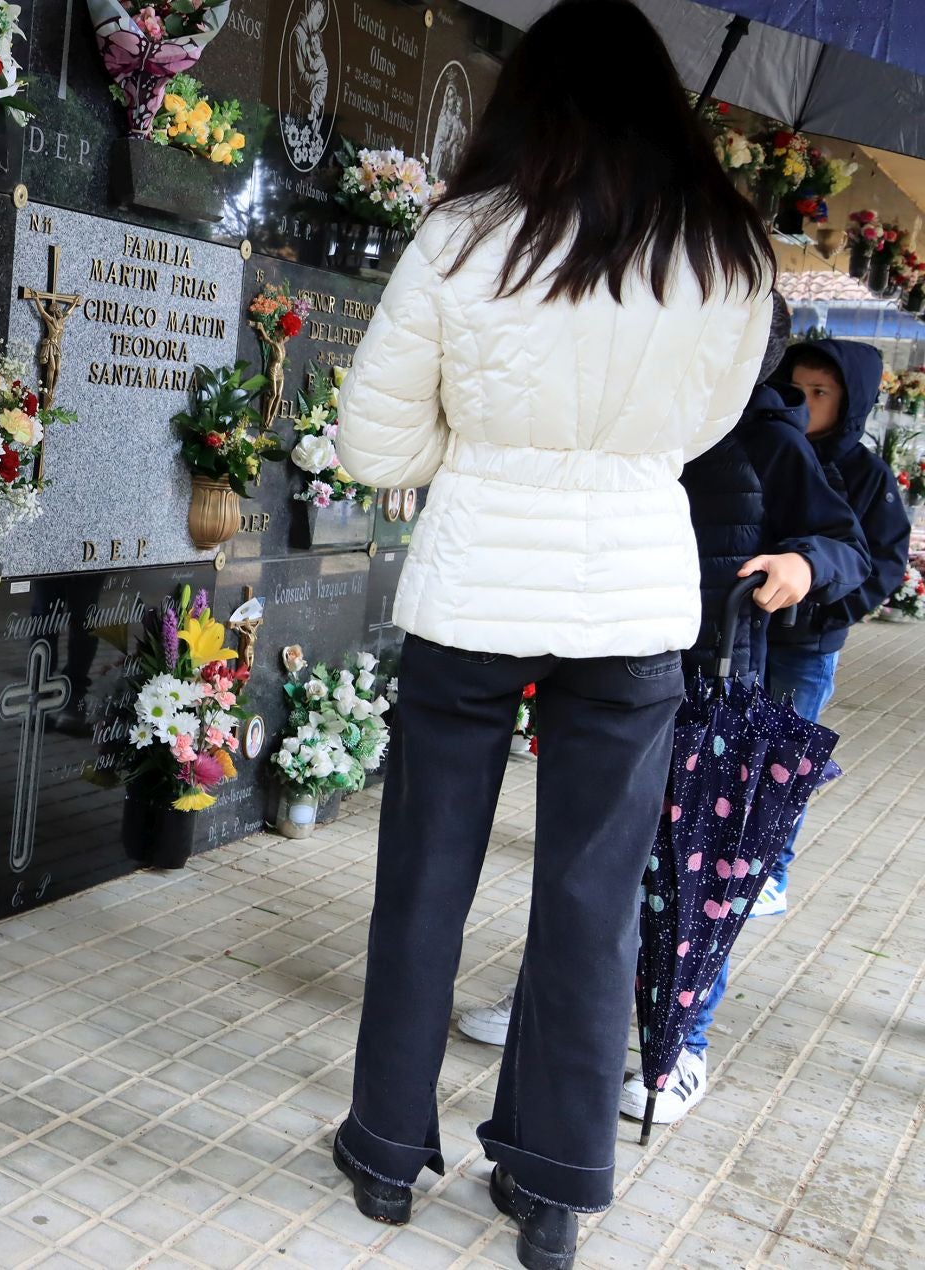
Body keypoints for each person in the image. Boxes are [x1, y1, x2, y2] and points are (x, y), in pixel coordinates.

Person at [325, 3, 775, 1267]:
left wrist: (481, 455)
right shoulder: (727, 251)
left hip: (475, 588)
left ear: (522, 96)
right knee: (593, 896)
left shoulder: (464, 235)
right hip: (633, 598)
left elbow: (374, 442)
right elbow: (701, 429)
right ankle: (554, 1184)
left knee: (424, 876)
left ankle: (385, 1152)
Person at [461, 295, 872, 1128]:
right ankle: (544, 996)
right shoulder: (636, 416)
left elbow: (849, 547)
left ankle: (680, 1047)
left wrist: (803, 564)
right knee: (583, 854)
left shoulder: (769, 438)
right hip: (604, 675)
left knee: (697, 879)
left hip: (710, 692)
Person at [753, 339, 913, 912]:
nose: (805, 401)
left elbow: (884, 561)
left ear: (851, 403)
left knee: (786, 758)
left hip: (806, 647)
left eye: (821, 392)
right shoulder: (768, 446)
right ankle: (720, 856)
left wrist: (827, 613)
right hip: (748, 631)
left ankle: (772, 872)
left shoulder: (866, 472)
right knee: (733, 746)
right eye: (797, 388)